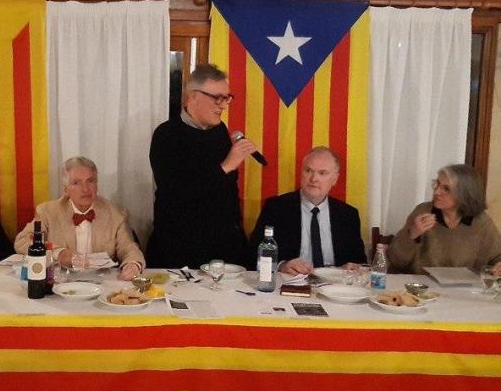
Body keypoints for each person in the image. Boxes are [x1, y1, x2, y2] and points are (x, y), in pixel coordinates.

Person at [146, 64, 259, 268]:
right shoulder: (166, 135)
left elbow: (226, 191)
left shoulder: (220, 131)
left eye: (226, 98)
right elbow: (177, 192)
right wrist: (226, 166)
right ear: (193, 97)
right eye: (217, 98)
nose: (223, 105)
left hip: (224, 248)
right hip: (179, 250)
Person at [14, 156, 144, 280]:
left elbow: (128, 248)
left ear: (96, 185)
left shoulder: (116, 214)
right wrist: (58, 253)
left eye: (90, 181)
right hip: (59, 282)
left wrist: (133, 264)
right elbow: (22, 241)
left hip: (103, 283)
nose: (85, 189)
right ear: (66, 189)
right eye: (76, 183)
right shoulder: (47, 212)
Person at [248, 146, 366, 274]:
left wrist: (352, 267)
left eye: (322, 173)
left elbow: (359, 261)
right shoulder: (276, 207)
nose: (313, 179)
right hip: (290, 280)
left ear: (335, 179)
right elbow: (253, 255)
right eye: (308, 170)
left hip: (335, 282)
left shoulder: (348, 214)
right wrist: (282, 266)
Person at [388, 164, 501, 275]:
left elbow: (497, 258)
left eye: (446, 189)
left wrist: (498, 266)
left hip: (465, 286)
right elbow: (395, 260)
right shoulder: (423, 211)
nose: (437, 192)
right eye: (437, 184)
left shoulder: (481, 222)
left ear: (464, 194)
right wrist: (412, 234)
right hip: (421, 284)